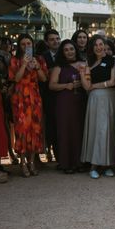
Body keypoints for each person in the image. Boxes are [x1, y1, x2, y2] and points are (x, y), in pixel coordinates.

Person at [9, 34, 48, 177]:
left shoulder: (39, 59)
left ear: (33, 45)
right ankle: (23, 162)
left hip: (35, 97)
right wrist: (24, 64)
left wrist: (37, 67)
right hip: (20, 97)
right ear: (19, 46)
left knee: (35, 128)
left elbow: (44, 79)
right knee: (22, 129)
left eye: (29, 43)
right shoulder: (14, 59)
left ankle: (32, 162)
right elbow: (15, 79)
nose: (26, 46)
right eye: (23, 44)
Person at [80, 35, 115, 178]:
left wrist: (94, 86)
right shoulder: (87, 62)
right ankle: (93, 166)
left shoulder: (111, 61)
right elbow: (86, 86)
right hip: (95, 100)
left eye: (101, 44)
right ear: (92, 47)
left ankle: (108, 164)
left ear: (104, 45)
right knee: (97, 131)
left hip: (110, 99)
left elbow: (113, 81)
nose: (98, 47)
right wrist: (82, 75)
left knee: (109, 130)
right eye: (95, 45)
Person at [48, 40, 86, 174]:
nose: (70, 52)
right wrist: (66, 86)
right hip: (64, 103)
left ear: (76, 50)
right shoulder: (59, 67)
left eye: (71, 49)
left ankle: (80, 162)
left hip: (80, 102)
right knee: (65, 131)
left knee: (79, 131)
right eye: (66, 50)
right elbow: (51, 85)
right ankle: (66, 163)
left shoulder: (83, 64)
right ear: (62, 52)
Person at [42, 29, 61, 162]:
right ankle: (51, 151)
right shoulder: (42, 57)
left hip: (63, 95)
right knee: (50, 125)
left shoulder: (65, 54)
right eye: (52, 39)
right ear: (46, 42)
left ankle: (61, 155)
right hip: (48, 95)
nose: (56, 41)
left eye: (57, 38)